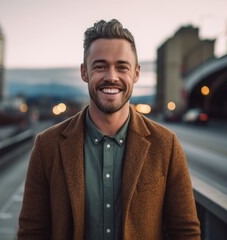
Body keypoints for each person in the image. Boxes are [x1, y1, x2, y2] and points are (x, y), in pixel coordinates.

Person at [17, 19, 201, 239]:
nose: (111, 77)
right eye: (100, 66)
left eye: (122, 67)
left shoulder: (166, 145)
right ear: (84, 72)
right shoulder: (47, 145)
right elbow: (32, 232)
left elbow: (185, 232)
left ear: (136, 73)